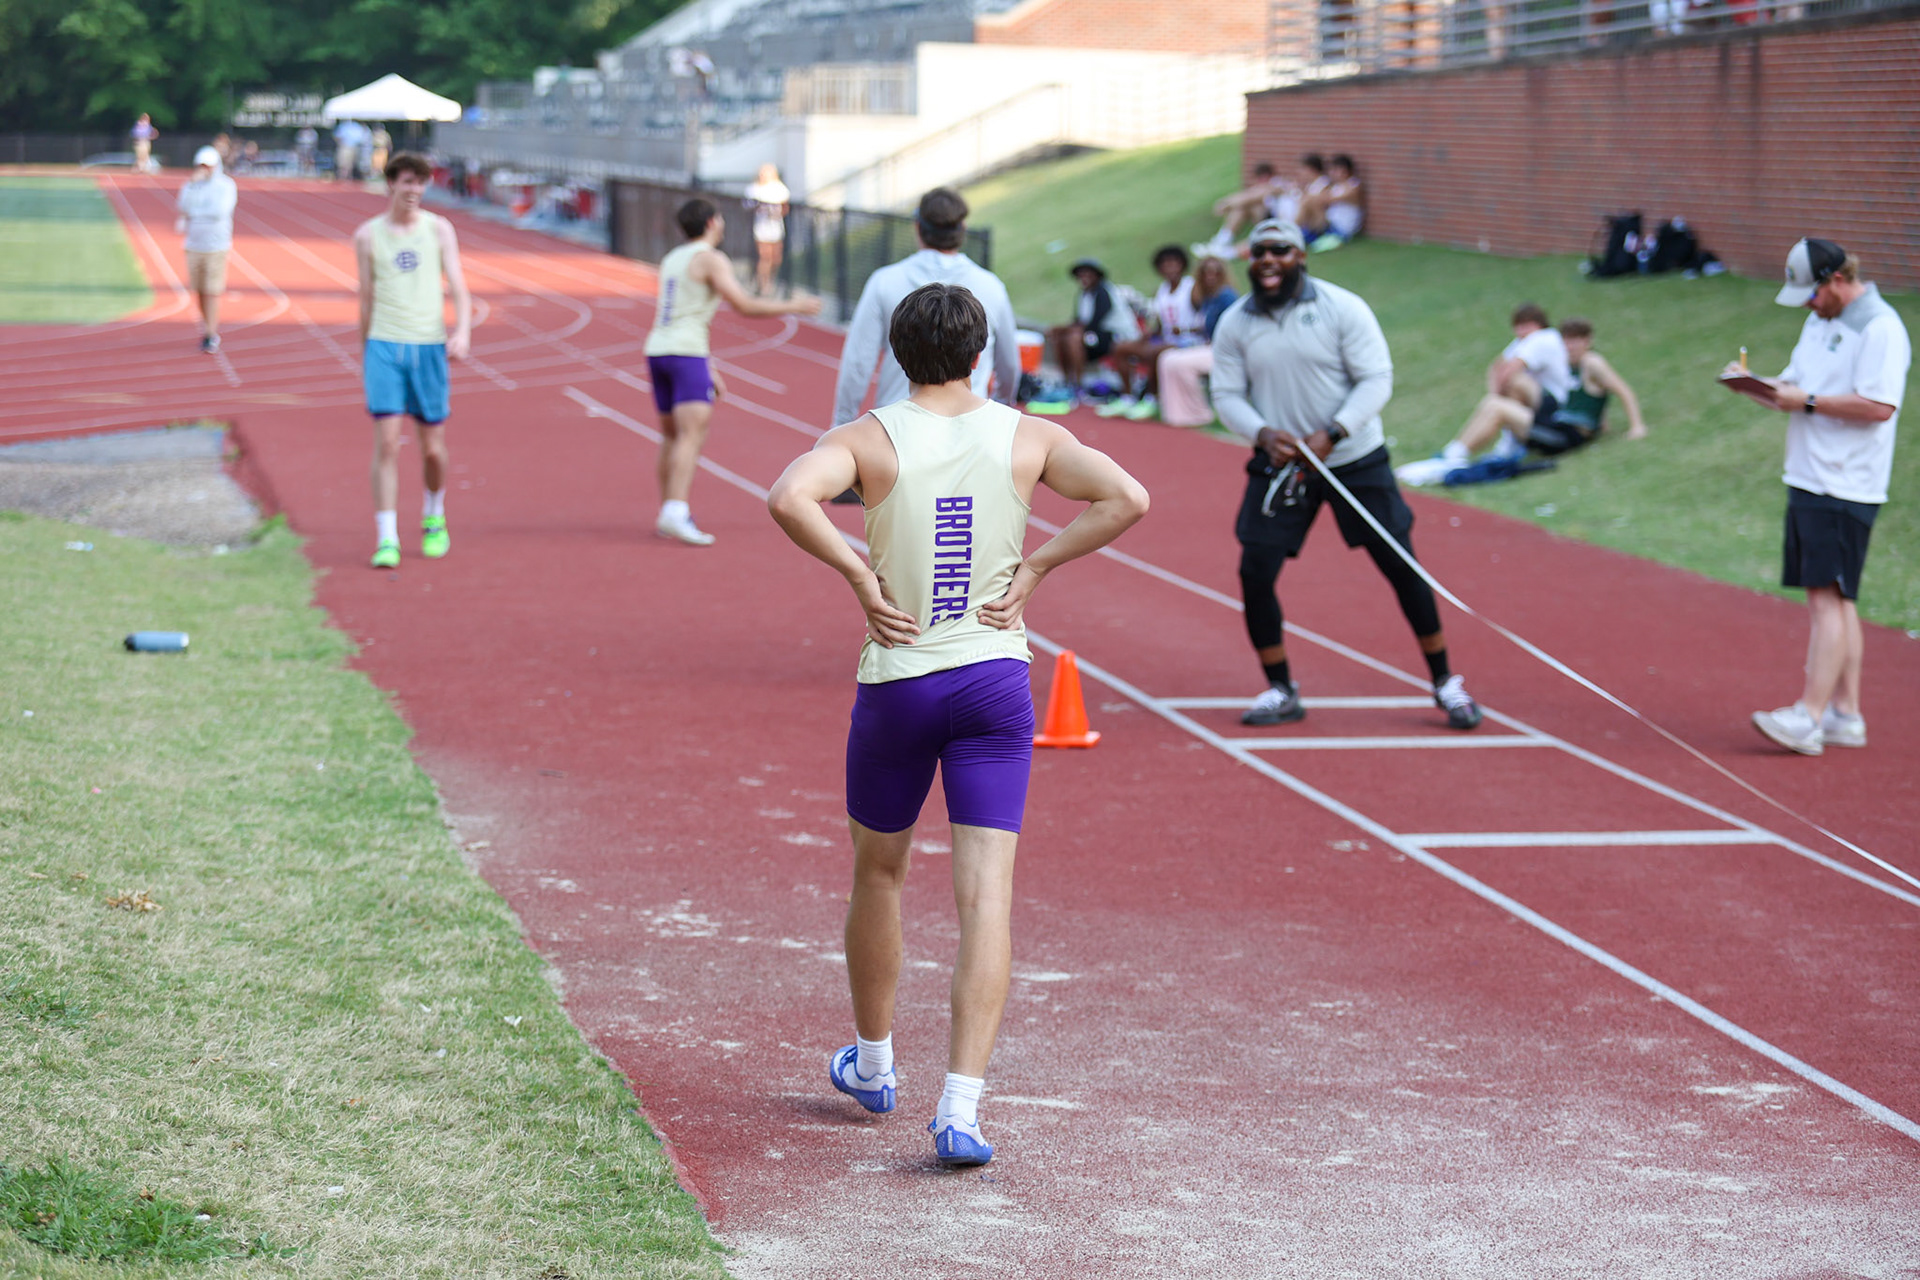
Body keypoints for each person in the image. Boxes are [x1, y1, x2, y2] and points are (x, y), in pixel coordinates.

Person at [766, 282, 1149, 1167]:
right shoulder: (1030, 435)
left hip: (901, 681)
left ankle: (871, 1066)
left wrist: (862, 578)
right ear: (982, 352)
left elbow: (789, 498)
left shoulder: (864, 438)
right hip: (993, 683)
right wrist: (1041, 565)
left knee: (880, 873)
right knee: (988, 901)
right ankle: (963, 1111)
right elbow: (1127, 497)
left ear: (898, 353)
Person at [1210, 219, 1483, 731]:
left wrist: (1332, 432)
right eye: (1259, 252)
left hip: (1354, 459)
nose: (1268, 260)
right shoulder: (1235, 322)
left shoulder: (1342, 308)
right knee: (1255, 571)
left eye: (1280, 250)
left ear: (1301, 257)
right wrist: (1263, 433)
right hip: (1283, 464)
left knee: (1401, 566)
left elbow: (1376, 379)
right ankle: (1280, 689)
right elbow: (1225, 394)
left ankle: (1446, 682)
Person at [1727, 238, 1909, 755]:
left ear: (1836, 280)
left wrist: (1802, 400)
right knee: (1838, 598)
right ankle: (1845, 714)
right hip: (1811, 474)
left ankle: (1808, 716)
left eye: (1812, 293)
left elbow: (1879, 405)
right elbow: (1800, 383)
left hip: (1844, 480)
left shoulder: (1880, 328)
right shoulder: (1818, 321)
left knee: (1826, 599)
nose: (1807, 303)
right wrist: (1763, 386)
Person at [643, 197, 822, 545]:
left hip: (659, 350)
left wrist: (707, 366)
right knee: (690, 436)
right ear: (711, 222)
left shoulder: (673, 258)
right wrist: (794, 305)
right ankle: (676, 511)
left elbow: (681, 312)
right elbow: (743, 304)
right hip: (685, 353)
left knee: (670, 436)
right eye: (721, 219)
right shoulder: (710, 259)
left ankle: (669, 509)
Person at [833, 187, 1019, 505]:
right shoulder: (991, 286)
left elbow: (858, 361)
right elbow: (1010, 365)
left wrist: (841, 429)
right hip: (973, 434)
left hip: (899, 433)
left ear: (917, 227)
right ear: (962, 229)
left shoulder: (885, 281)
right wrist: (1000, 407)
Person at [353, 152, 473, 569]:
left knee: (433, 450)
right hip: (385, 346)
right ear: (390, 184)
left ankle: (434, 514)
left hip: (428, 347)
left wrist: (462, 332)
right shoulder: (368, 236)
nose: (414, 191)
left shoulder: (439, 230)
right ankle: (387, 537)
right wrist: (364, 347)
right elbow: (365, 296)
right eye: (406, 182)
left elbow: (457, 283)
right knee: (386, 444)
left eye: (420, 183)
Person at [1396, 316, 1647, 484]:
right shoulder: (1572, 364)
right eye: (1566, 340)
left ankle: (1455, 455)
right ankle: (1459, 453)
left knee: (1497, 407)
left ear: (1587, 341)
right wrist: (1600, 422)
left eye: (1576, 340)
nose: (1570, 346)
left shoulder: (1593, 362)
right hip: (1558, 423)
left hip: (1566, 436)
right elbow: (1593, 396)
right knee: (1511, 391)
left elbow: (1623, 391)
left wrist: (1637, 427)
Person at [1099, 244, 1207, 422]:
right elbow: (1160, 322)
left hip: (1191, 342)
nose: (1169, 267)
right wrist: (1148, 333)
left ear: (1182, 265)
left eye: (1174, 263)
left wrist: (1185, 330)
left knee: (1155, 352)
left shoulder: (1192, 288)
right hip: (1166, 340)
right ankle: (1127, 397)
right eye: (1165, 264)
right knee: (1121, 348)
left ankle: (1151, 399)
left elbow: (1206, 321)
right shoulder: (1161, 290)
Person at [1038, 259, 1140, 411]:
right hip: (1095, 335)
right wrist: (1060, 329)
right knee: (1060, 337)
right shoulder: (1083, 294)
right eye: (1081, 274)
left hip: (1115, 336)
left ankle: (1079, 385)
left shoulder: (1103, 291)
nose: (1084, 277)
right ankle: (1067, 382)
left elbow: (1095, 323)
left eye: (1088, 274)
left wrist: (1071, 330)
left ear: (1097, 276)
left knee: (1074, 338)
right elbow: (1078, 320)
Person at [1155, 255, 1239, 429]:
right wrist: (1186, 330)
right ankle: (1176, 414)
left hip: (1225, 351)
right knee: (1166, 358)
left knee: (1180, 363)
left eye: (1215, 272)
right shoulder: (1208, 298)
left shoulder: (1227, 296)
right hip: (1209, 346)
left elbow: (1235, 328)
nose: (1210, 276)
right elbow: (1205, 326)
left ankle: (1199, 413)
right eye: (1206, 272)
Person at [174, 146, 238, 354]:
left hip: (216, 245)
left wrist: (196, 213)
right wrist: (192, 188)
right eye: (201, 166)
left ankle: (210, 334)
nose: (204, 170)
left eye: (208, 166)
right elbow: (183, 207)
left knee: (211, 291)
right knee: (199, 291)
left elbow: (220, 211)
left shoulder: (226, 185)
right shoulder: (191, 185)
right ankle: (207, 327)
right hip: (194, 244)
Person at [1206, 161, 1283, 253]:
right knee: (1240, 209)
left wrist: (1226, 204)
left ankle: (1226, 246)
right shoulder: (1261, 187)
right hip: (1263, 218)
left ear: (1265, 176)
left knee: (1253, 204)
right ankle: (1221, 241)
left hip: (1276, 220)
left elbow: (1255, 196)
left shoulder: (1277, 184)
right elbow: (1247, 195)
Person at [742, 163, 791, 296]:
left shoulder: (779, 188)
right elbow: (747, 206)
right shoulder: (754, 189)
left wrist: (776, 213)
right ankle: (764, 285)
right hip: (761, 229)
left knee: (776, 258)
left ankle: (771, 280)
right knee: (765, 257)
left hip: (776, 228)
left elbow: (785, 207)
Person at [1299, 153, 1365, 250]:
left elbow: (1329, 199)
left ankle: (1294, 230)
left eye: (1334, 170)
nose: (1331, 173)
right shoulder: (1337, 186)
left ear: (1344, 170)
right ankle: (1300, 231)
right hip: (1331, 224)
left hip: (1342, 228)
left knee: (1310, 201)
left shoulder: (1353, 185)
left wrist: (1312, 197)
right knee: (1309, 201)